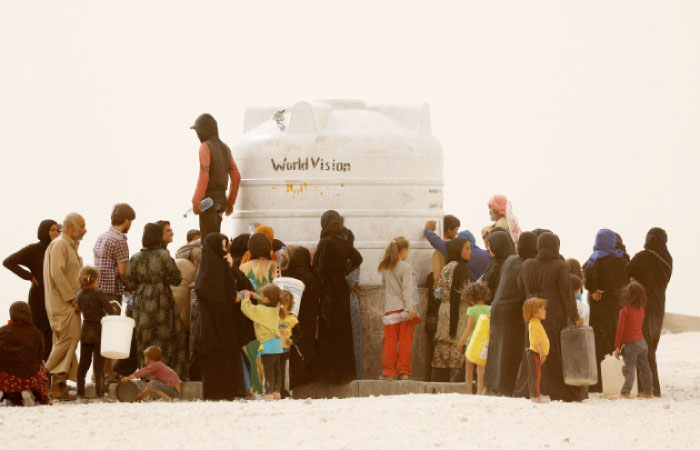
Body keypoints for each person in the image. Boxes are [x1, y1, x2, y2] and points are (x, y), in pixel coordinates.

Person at [518, 232, 583, 402]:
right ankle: (552, 390)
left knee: (532, 353)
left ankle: (533, 390)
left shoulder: (526, 265)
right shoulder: (559, 265)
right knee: (550, 353)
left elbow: (520, 286)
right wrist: (575, 316)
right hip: (552, 316)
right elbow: (566, 295)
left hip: (531, 316)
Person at [126, 223, 187, 379]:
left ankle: (146, 375)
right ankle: (165, 374)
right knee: (164, 337)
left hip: (141, 300)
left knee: (144, 337)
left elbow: (130, 283)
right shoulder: (164, 255)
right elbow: (177, 279)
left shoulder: (135, 257)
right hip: (162, 299)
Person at [483, 231, 537, 396]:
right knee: (510, 352)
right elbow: (526, 291)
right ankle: (506, 388)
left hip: (498, 309)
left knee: (496, 350)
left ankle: (492, 386)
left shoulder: (510, 260)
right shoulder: (527, 264)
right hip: (512, 313)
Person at [193, 233, 246, 400]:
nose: (225, 250)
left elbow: (242, 285)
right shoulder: (208, 272)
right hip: (213, 323)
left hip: (224, 323)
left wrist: (232, 267)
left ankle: (228, 391)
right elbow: (218, 295)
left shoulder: (219, 269)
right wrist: (236, 297)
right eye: (223, 246)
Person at [313, 210, 363, 383]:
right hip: (341, 290)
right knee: (343, 332)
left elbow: (320, 270)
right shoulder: (344, 242)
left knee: (329, 332)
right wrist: (344, 271)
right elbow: (358, 258)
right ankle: (344, 374)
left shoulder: (326, 242)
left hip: (329, 292)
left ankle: (329, 376)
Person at [44, 213, 87, 400]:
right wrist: (72, 298)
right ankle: (41, 378)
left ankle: (57, 387)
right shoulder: (61, 244)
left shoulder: (69, 246)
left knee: (66, 342)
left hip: (66, 304)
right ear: (71, 227)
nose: (85, 230)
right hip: (64, 304)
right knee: (68, 341)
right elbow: (57, 274)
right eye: (82, 226)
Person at [626, 227, 672, 397]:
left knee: (644, 347)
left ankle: (650, 388)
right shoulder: (668, 260)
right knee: (651, 346)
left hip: (642, 306)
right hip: (659, 307)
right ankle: (650, 387)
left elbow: (627, 272)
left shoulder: (642, 256)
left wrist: (634, 280)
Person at [3, 219, 60, 359]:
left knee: (53, 334)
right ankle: (36, 369)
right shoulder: (33, 250)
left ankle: (48, 374)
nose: (56, 232)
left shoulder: (59, 249)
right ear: (44, 232)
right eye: (52, 230)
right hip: (38, 298)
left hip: (55, 298)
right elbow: (8, 262)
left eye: (58, 229)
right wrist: (28, 276)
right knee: (38, 332)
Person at [583, 228, 628, 392]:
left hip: (598, 309)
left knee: (598, 343)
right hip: (616, 307)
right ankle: (618, 380)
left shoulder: (593, 260)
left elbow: (585, 276)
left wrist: (592, 290)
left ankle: (598, 384)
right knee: (615, 341)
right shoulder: (621, 260)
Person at [190, 113, 241, 239]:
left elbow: (204, 176)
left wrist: (196, 201)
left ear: (203, 130)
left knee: (207, 245)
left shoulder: (205, 147)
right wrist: (230, 202)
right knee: (216, 241)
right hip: (221, 201)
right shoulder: (225, 148)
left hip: (208, 202)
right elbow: (236, 177)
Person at [378, 237, 419, 380]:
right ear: (403, 251)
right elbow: (406, 290)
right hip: (403, 310)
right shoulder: (406, 267)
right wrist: (409, 308)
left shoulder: (385, 267)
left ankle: (388, 372)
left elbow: (386, 286)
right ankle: (404, 372)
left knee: (389, 342)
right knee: (405, 342)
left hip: (389, 311)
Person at [431, 237, 471, 382]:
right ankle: (455, 381)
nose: (470, 252)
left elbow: (437, 292)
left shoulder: (446, 267)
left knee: (443, 345)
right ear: (458, 250)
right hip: (458, 312)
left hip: (444, 310)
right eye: (466, 248)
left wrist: (446, 299)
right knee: (457, 343)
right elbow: (465, 294)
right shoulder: (463, 268)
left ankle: (438, 381)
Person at [76, 266, 116, 401]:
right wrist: (113, 309)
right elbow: (110, 310)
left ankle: (80, 395)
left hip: (85, 330)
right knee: (99, 366)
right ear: (94, 280)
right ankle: (100, 395)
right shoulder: (98, 293)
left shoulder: (79, 295)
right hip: (99, 331)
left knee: (83, 365)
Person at [281, 246, 320, 388]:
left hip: (290, 318)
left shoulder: (286, 275)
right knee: (306, 345)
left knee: (291, 345)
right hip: (308, 318)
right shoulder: (312, 276)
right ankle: (303, 376)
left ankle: (289, 378)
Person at [0, 302, 50, 406]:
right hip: (28, 379)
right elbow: (39, 358)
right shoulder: (36, 334)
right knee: (41, 370)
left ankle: (3, 392)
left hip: (4, 379)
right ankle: (28, 392)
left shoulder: (2, 331)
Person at [240, 284, 283, 399]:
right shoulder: (275, 308)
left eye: (263, 296)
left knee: (268, 370)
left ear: (267, 299)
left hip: (267, 345)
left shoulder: (260, 310)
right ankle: (276, 392)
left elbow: (247, 310)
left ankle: (268, 393)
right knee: (276, 369)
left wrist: (246, 298)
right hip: (278, 345)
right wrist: (259, 297)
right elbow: (269, 301)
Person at [614, 282, 653, 399]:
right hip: (642, 342)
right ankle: (648, 392)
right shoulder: (642, 311)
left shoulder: (624, 311)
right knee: (645, 368)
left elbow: (620, 330)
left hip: (631, 345)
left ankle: (625, 393)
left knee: (629, 369)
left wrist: (617, 347)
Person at [457, 282, 491, 395]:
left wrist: (461, 341)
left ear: (470, 297)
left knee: (469, 367)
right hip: (484, 341)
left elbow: (469, 327)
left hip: (472, 341)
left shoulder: (471, 310)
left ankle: (469, 391)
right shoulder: (490, 309)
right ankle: (480, 391)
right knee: (481, 369)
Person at [522, 297, 550, 403]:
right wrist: (542, 353)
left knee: (535, 375)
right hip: (535, 353)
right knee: (536, 375)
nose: (545, 311)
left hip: (535, 353)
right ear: (535, 312)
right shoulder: (535, 324)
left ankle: (535, 394)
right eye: (542, 309)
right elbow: (536, 341)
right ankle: (536, 397)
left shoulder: (535, 323)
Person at [345, 229, 363, 379]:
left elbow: (351, 282)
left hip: (348, 300)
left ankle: (355, 375)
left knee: (354, 339)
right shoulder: (353, 256)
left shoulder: (351, 257)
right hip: (352, 299)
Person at [481, 230, 516, 303]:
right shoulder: (497, 261)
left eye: (490, 245)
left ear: (497, 246)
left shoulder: (501, 265)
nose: (488, 248)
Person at [278, 290, 299, 397]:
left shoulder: (292, 319)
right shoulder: (274, 317)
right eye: (281, 303)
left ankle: (282, 389)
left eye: (285, 303)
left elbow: (298, 334)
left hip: (285, 349)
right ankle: (275, 389)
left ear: (289, 304)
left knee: (282, 369)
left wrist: (292, 339)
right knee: (274, 368)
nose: (283, 306)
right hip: (273, 348)